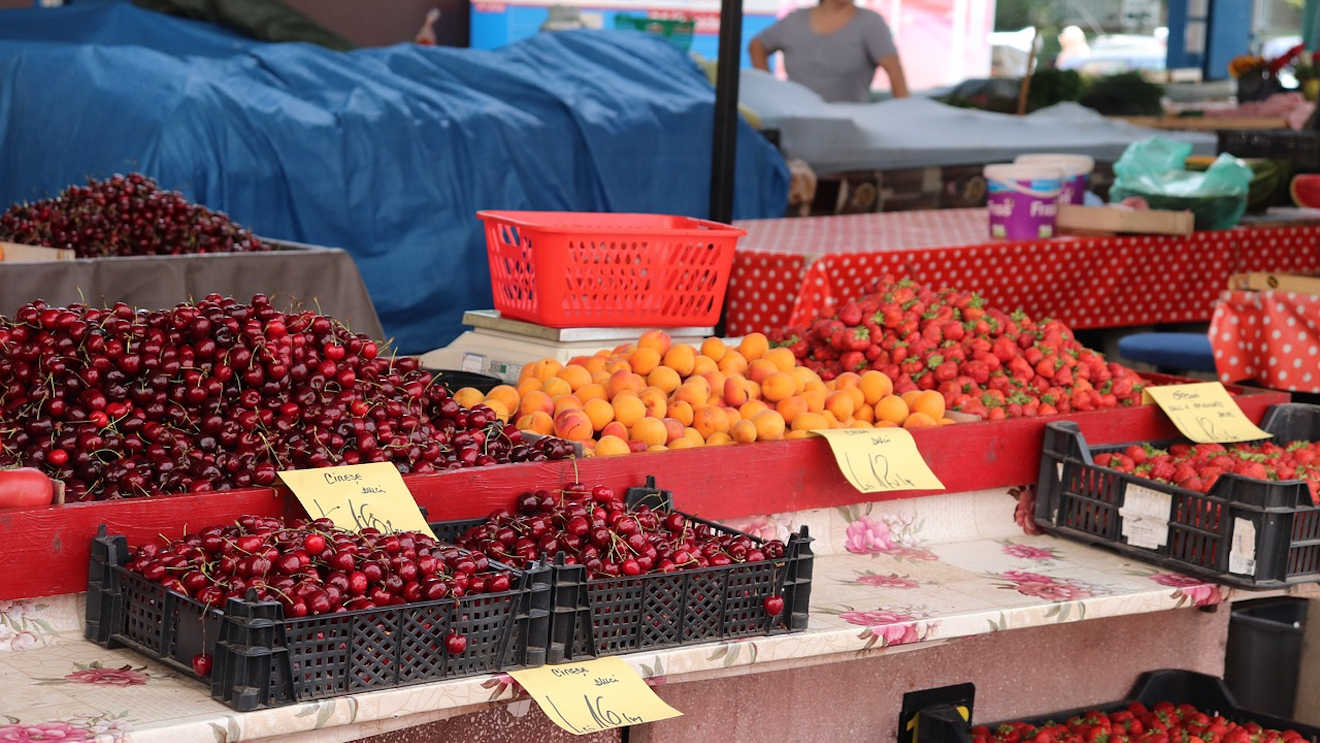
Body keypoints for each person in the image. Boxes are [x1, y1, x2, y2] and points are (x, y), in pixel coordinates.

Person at [748, 0, 908, 103]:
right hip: (796, 124)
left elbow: (894, 70)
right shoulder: (795, 21)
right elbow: (757, 46)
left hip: (849, 125)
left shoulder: (870, 23)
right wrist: (769, 93)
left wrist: (907, 118)